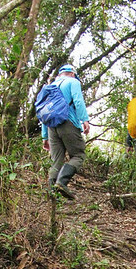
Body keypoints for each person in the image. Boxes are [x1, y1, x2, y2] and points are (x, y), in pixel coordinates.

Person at [41, 64, 90, 199]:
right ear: (73, 74)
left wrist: (44, 136)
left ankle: (51, 192)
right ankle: (62, 182)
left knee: (57, 159)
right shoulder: (73, 82)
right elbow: (78, 101)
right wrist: (84, 120)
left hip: (51, 126)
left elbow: (45, 112)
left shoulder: (50, 87)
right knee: (78, 155)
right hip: (67, 123)